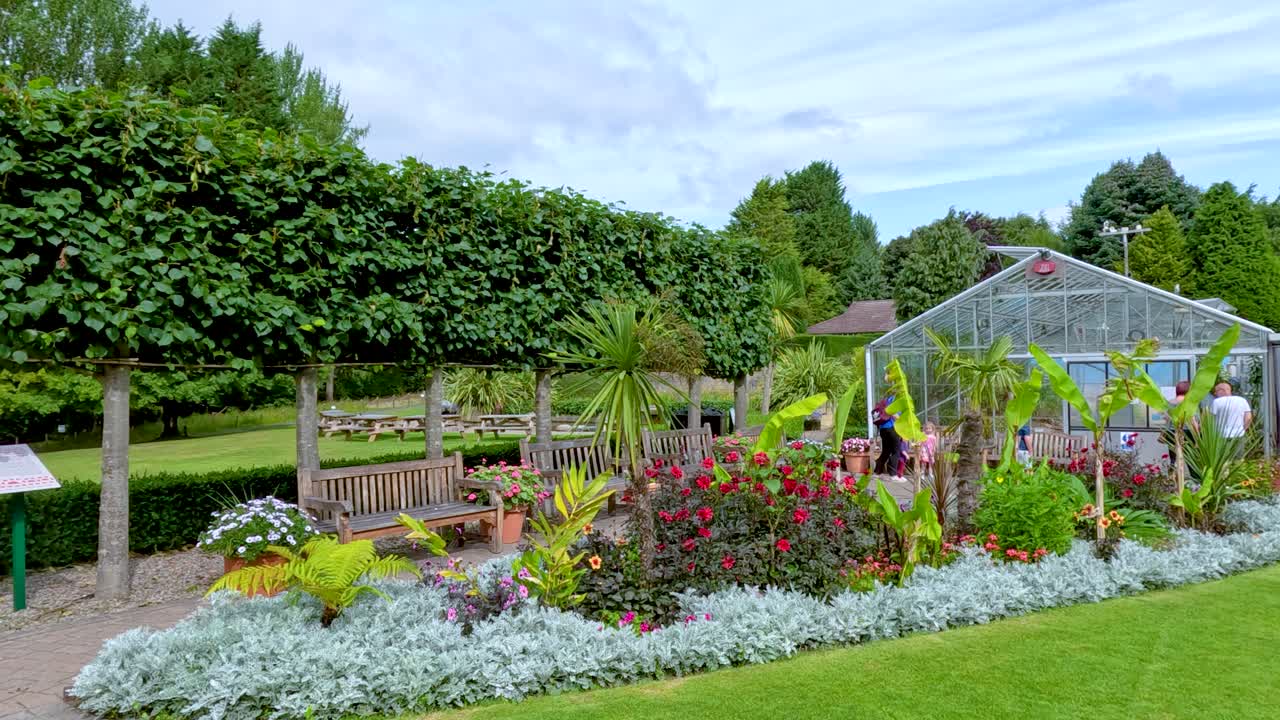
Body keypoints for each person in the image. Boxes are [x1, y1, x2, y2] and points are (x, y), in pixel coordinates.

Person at [872, 390, 901, 476]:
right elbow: (895, 415)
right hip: (891, 427)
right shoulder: (896, 401)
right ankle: (893, 474)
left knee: (886, 451)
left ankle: (877, 472)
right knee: (896, 451)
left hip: (883, 428)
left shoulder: (885, 400)